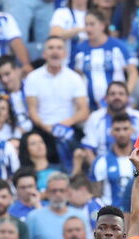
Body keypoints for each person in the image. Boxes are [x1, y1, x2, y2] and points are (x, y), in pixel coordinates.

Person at [24, 36, 89, 164]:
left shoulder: (74, 78)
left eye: (59, 48)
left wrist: (63, 125)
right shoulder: (33, 77)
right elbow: (32, 110)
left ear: (65, 54)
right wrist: (47, 127)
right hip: (42, 128)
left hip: (68, 127)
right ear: (44, 53)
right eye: (51, 48)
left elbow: (83, 110)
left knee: (80, 148)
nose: (55, 52)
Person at [71, 9, 137, 112]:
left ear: (102, 25)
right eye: (86, 24)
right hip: (90, 108)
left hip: (117, 107)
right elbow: (75, 76)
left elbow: (133, 72)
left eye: (92, 24)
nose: (88, 28)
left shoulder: (117, 46)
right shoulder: (79, 49)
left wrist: (125, 94)